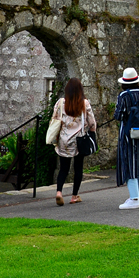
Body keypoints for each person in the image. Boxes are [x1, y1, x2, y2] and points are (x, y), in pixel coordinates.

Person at [50, 78, 96, 206]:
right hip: (79, 140)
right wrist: (92, 132)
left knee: (63, 168)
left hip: (64, 139)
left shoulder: (61, 102)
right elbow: (92, 122)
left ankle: (59, 192)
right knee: (78, 168)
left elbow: (55, 118)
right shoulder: (84, 103)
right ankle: (74, 196)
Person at [115, 67, 139, 209]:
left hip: (128, 134)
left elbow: (119, 115)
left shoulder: (124, 95)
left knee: (129, 162)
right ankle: (137, 194)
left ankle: (134, 198)